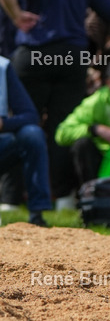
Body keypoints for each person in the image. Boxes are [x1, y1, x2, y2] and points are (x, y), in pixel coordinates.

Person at [0, 0, 110, 205]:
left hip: (35, 54)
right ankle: (63, 197)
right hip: (73, 58)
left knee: (22, 124)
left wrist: (17, 17)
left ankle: (9, 198)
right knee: (62, 128)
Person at [0, 56, 51, 226]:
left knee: (32, 134)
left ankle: (37, 214)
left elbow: (30, 115)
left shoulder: (2, 66)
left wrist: (3, 124)